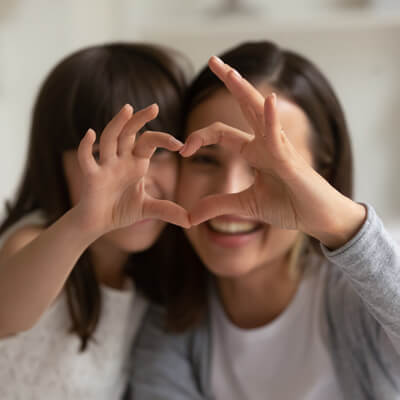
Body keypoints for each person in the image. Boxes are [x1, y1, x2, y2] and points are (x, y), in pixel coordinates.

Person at [129, 41, 400, 399]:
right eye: (205, 161)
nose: (230, 193)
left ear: (324, 179)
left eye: (267, 168)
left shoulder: (360, 301)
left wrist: (343, 225)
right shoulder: (166, 320)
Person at [0, 42, 191, 399]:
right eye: (107, 156)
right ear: (56, 163)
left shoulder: (148, 276)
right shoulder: (33, 239)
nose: (137, 181)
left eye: (159, 152)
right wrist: (84, 223)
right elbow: (5, 312)